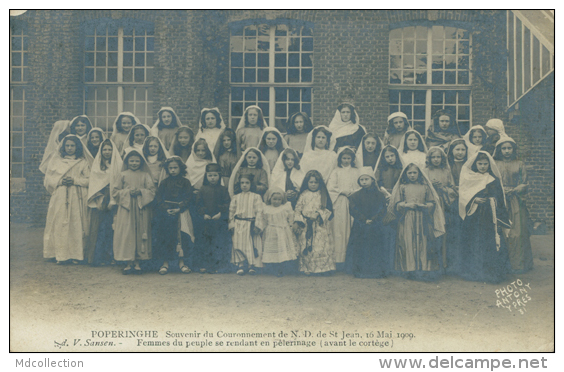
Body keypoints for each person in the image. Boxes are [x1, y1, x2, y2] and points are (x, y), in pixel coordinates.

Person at [458, 151, 511, 283]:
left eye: (485, 164)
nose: (482, 166)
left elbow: (499, 197)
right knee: (474, 240)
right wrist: (473, 200)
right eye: (480, 164)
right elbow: (463, 196)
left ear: (489, 164)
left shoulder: (493, 179)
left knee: (489, 241)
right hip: (474, 216)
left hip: (489, 215)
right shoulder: (469, 178)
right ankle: (473, 272)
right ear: (475, 164)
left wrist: (491, 200)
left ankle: (491, 273)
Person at [386, 163, 445, 281]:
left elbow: (432, 202)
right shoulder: (402, 187)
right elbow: (396, 204)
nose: (412, 175)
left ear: (419, 174)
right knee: (407, 241)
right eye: (410, 173)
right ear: (405, 174)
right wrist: (406, 205)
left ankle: (423, 269)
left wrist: (424, 205)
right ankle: (409, 269)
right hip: (407, 218)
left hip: (423, 217)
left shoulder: (425, 187)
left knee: (423, 241)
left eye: (414, 173)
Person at [43, 135, 90, 264]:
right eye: (67, 146)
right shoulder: (56, 161)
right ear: (63, 147)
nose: (70, 148)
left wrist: (75, 180)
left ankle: (75, 255)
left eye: (72, 146)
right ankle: (60, 255)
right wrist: (60, 181)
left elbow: (89, 180)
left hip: (77, 196)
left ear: (77, 147)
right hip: (60, 195)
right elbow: (48, 180)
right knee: (59, 223)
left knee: (75, 224)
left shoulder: (83, 162)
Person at [112, 148, 156, 275]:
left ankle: (138, 263)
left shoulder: (145, 175)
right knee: (127, 233)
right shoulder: (122, 175)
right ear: (127, 161)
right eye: (131, 161)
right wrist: (127, 192)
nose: (134, 163)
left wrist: (141, 192)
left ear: (141, 162)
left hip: (141, 207)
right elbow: (115, 192)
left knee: (140, 232)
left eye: (137, 161)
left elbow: (152, 191)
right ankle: (128, 262)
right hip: (126, 209)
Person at [494, 136, 533, 274]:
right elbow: (490, 180)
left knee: (517, 232)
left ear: (513, 149)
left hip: (515, 200)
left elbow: (525, 183)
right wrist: (501, 190)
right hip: (499, 200)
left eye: (509, 148)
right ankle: (501, 265)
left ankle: (517, 264)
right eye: (504, 148)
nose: (506, 151)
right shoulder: (494, 163)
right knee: (500, 232)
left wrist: (515, 189)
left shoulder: (519, 163)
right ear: (499, 150)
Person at [152, 156, 194, 275]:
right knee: (166, 237)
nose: (173, 170)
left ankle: (181, 263)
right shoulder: (164, 183)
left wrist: (180, 208)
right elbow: (159, 198)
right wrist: (166, 209)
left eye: (175, 167)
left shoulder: (186, 182)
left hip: (181, 213)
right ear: (167, 169)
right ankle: (165, 263)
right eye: (170, 168)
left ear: (180, 168)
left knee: (182, 237)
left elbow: (189, 197)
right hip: (167, 214)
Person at [85, 139, 122, 266]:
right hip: (101, 199)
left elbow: (119, 183)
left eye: (110, 149)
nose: (107, 152)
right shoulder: (97, 166)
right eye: (105, 149)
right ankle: (97, 257)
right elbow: (94, 183)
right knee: (99, 228)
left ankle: (112, 257)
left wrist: (114, 200)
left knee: (113, 228)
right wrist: (99, 198)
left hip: (113, 199)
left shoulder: (118, 165)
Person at [347, 167, 390, 278]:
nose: (364, 182)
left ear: (372, 180)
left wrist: (374, 219)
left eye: (366, 179)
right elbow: (353, 209)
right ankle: (360, 271)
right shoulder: (355, 196)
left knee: (376, 247)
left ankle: (376, 271)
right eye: (362, 180)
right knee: (360, 247)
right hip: (360, 225)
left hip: (376, 225)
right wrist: (363, 219)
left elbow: (382, 209)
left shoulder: (380, 195)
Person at [293, 170, 335, 275]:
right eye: (310, 182)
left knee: (321, 247)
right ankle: (307, 268)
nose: (313, 184)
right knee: (306, 245)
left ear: (319, 183)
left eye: (315, 182)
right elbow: (298, 209)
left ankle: (322, 268)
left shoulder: (323, 195)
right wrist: (299, 221)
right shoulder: (303, 194)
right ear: (306, 183)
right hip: (306, 224)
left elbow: (328, 209)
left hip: (320, 225)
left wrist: (319, 214)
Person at [424, 147, 457, 271]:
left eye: (438, 157)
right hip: (430, 205)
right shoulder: (425, 171)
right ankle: (429, 265)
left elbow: (453, 191)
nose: (436, 160)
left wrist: (443, 188)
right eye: (433, 157)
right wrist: (430, 186)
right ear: (429, 159)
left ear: (442, 158)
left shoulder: (446, 172)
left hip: (443, 205)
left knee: (442, 232)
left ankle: (442, 264)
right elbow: (421, 186)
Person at [327, 147, 360, 269]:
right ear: (340, 158)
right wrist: (342, 191)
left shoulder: (356, 171)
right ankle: (339, 259)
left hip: (353, 201)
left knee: (351, 227)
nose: (346, 160)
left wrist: (353, 192)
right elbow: (331, 187)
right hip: (340, 201)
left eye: (348, 158)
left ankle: (350, 259)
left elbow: (360, 184)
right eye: (344, 158)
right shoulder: (336, 171)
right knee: (339, 229)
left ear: (352, 159)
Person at [194, 163, 231, 274]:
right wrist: (203, 213)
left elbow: (227, 203)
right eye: (210, 175)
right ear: (206, 176)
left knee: (218, 242)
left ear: (219, 176)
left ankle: (217, 266)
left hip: (218, 221)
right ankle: (205, 264)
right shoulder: (203, 189)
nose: (212, 178)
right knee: (206, 243)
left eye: (215, 175)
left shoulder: (223, 190)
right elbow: (198, 204)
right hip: (206, 221)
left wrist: (220, 213)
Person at [258, 188, 299, 277]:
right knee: (273, 249)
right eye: (274, 199)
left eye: (279, 199)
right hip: (271, 231)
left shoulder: (286, 207)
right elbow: (264, 220)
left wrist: (292, 226)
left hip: (283, 231)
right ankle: (273, 268)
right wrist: (261, 229)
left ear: (282, 199)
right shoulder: (266, 208)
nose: (277, 201)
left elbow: (291, 218)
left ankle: (282, 268)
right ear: (269, 199)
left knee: (283, 249)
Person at [229, 174, 264, 275]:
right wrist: (231, 225)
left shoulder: (256, 197)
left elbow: (259, 211)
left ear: (251, 184)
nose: (244, 185)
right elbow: (231, 212)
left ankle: (251, 265)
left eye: (247, 183)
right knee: (238, 244)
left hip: (250, 224)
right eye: (242, 183)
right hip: (238, 223)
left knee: (250, 245)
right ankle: (241, 264)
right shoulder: (236, 197)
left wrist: (258, 225)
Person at [445, 138, 468, 274]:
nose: (460, 152)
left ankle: (463, 265)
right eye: (457, 149)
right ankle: (451, 264)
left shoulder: (469, 165)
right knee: (452, 232)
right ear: (452, 151)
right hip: (451, 201)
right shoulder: (448, 165)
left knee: (464, 232)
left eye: (462, 150)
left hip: (466, 200)